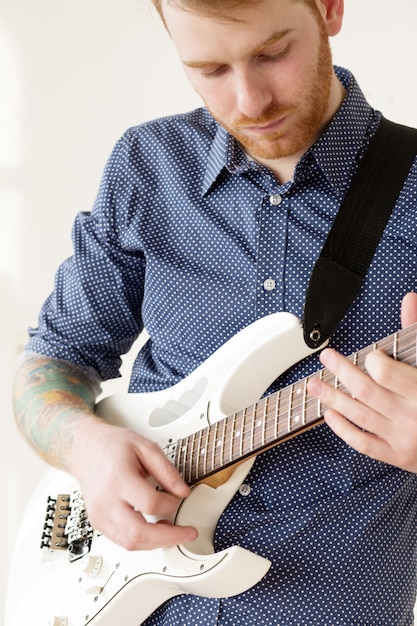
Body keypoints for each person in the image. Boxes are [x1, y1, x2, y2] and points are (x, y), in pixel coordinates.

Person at [12, 0, 417, 623]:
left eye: (272, 54)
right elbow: (54, 359)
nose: (250, 102)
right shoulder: (148, 167)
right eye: (209, 69)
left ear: (330, 9)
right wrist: (84, 445)